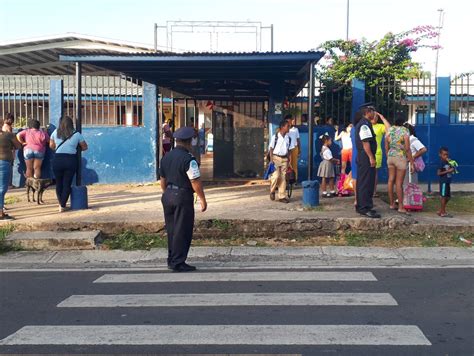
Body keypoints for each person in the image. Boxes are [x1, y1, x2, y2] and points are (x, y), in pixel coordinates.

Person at [159, 126, 207, 272]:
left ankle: (171, 259)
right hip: (182, 196)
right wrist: (202, 199)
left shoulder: (166, 157)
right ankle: (178, 262)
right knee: (182, 230)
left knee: (172, 229)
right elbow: (195, 181)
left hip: (167, 195)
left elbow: (163, 180)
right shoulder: (189, 159)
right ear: (189, 141)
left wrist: (168, 193)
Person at [49, 116, 88, 212]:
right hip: (70, 160)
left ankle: (60, 204)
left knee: (59, 183)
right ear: (71, 123)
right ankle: (62, 205)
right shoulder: (76, 134)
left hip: (57, 159)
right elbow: (85, 147)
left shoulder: (55, 132)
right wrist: (75, 147)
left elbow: (51, 146)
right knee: (67, 183)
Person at [385, 113, 414, 214]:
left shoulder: (390, 130)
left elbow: (386, 143)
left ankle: (392, 203)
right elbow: (407, 148)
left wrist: (388, 155)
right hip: (400, 157)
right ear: (403, 121)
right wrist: (411, 162)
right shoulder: (405, 131)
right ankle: (401, 206)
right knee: (398, 183)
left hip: (391, 156)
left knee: (390, 180)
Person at [354, 103, 380, 218]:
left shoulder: (364, 123)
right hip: (366, 156)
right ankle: (364, 207)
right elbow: (365, 142)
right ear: (368, 112)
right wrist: (371, 157)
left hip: (364, 156)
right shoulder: (364, 125)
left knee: (364, 181)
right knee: (366, 182)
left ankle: (363, 206)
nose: (374, 113)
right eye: (373, 111)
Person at [0, 120, 22, 220]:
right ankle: (0, 213)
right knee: (2, 188)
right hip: (4, 163)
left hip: (4, 163)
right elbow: (18, 146)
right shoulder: (9, 135)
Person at [269, 119, 294, 204]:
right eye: (287, 126)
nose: (289, 128)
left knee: (283, 177)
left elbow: (290, 150)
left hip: (285, 159)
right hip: (276, 158)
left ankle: (281, 196)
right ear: (282, 127)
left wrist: (289, 160)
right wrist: (271, 159)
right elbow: (271, 148)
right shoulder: (275, 137)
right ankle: (272, 190)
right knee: (276, 176)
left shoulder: (289, 138)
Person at [372, 113, 391, 197]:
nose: (374, 118)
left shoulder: (380, 126)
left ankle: (373, 191)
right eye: (373, 116)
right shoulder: (365, 125)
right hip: (366, 152)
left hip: (377, 153)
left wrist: (382, 118)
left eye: (376, 117)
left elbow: (389, 129)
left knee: (374, 173)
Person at [317, 133, 339, 197]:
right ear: (326, 141)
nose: (331, 142)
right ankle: (325, 192)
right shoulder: (326, 150)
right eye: (330, 140)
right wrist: (336, 160)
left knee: (330, 177)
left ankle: (331, 191)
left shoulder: (324, 148)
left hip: (326, 164)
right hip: (327, 164)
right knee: (326, 178)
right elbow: (330, 158)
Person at [437, 147, 455, 218]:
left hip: (448, 181)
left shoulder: (448, 162)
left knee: (448, 197)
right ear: (440, 155)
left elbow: (453, 170)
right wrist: (448, 171)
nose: (446, 156)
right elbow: (438, 173)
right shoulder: (441, 163)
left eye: (447, 155)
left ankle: (441, 210)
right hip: (443, 182)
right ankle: (443, 212)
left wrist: (452, 167)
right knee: (443, 197)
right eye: (444, 155)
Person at [286, 115, 300, 181]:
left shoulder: (295, 129)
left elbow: (298, 140)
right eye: (288, 121)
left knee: (294, 165)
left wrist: (299, 149)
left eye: (290, 121)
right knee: (286, 164)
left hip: (294, 148)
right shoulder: (285, 129)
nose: (290, 122)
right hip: (286, 149)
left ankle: (295, 179)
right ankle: (287, 179)